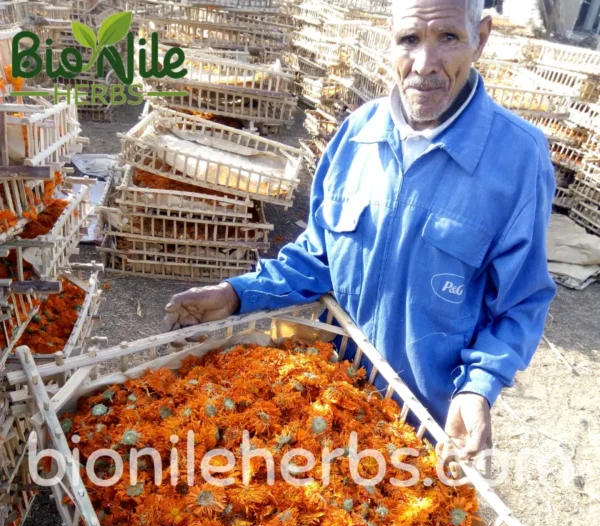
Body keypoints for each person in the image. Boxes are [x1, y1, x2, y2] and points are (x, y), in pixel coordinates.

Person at [162, 0, 556, 465]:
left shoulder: (519, 157)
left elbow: (521, 301)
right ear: (389, 41)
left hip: (423, 424)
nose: (425, 64)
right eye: (409, 39)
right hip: (327, 398)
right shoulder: (356, 135)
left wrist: (479, 387)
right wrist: (237, 293)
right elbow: (317, 255)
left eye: (448, 37)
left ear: (481, 38)